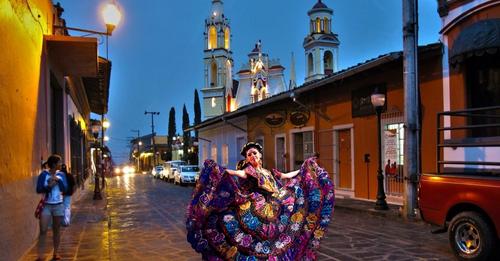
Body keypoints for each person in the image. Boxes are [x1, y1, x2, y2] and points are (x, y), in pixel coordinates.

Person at [186, 142, 335, 260]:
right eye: (248, 154)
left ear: (260, 155)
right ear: (246, 158)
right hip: (257, 206)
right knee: (259, 235)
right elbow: (236, 172)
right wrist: (220, 169)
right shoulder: (248, 171)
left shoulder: (268, 172)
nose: (252, 156)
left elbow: (286, 175)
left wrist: (304, 168)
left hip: (275, 204)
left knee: (289, 217)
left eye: (254, 153)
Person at [36, 155, 67, 261]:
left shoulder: (61, 175)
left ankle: (56, 253)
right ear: (54, 164)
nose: (61, 164)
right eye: (59, 162)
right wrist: (48, 186)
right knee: (43, 229)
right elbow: (38, 189)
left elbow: (65, 188)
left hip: (58, 205)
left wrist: (58, 180)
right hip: (46, 205)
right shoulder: (43, 175)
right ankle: (40, 255)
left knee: (56, 230)